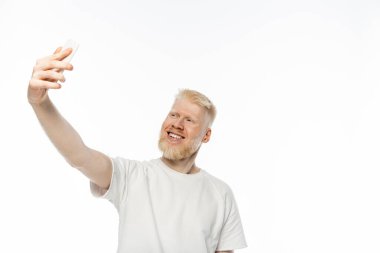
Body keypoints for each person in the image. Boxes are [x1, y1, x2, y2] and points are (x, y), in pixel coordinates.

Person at [28, 46, 247, 253]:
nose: (177, 124)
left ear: (206, 135)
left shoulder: (221, 194)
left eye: (189, 119)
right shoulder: (132, 177)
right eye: (173, 114)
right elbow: (79, 156)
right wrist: (40, 103)